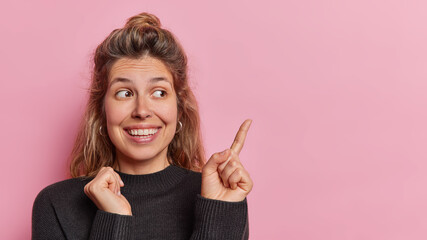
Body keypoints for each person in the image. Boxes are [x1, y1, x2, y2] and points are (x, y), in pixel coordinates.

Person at [32, 12, 253, 240]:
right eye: (125, 93)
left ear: (179, 107)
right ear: (101, 110)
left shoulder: (221, 196)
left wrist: (217, 217)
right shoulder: (56, 205)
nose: (142, 111)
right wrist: (114, 220)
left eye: (159, 93)